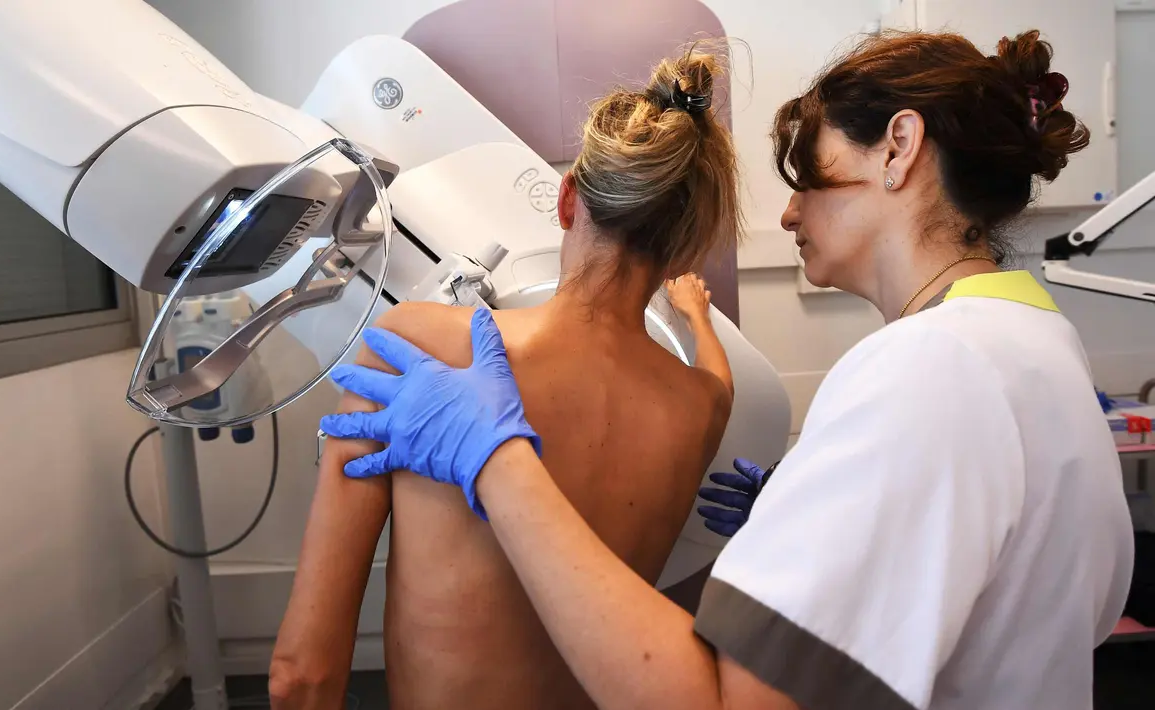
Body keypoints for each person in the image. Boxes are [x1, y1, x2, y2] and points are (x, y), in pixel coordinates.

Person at [321, 30, 1136, 710]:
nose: (788, 213)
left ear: (898, 149)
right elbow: (1077, 614)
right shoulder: (1041, 343)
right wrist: (827, 542)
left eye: (806, 177)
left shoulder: (928, 367)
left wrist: (499, 462)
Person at [270, 48, 743, 710]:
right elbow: (717, 379)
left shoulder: (418, 346)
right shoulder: (702, 407)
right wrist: (696, 318)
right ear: (686, 249)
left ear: (568, 198)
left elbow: (303, 674)